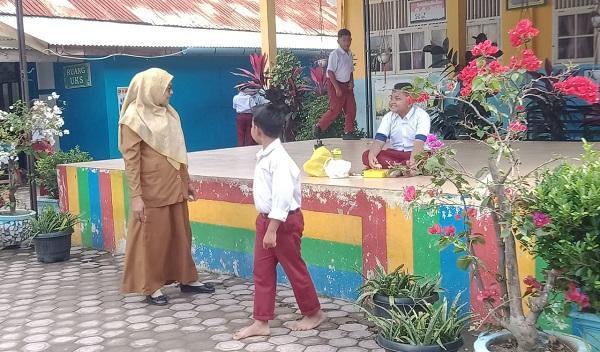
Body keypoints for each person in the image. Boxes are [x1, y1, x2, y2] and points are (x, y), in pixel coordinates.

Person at [118, 68, 215, 306]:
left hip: (174, 185)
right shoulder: (132, 119)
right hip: (151, 190)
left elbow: (178, 152)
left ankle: (187, 279)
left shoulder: (169, 113)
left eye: (170, 88)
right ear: (151, 89)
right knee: (153, 238)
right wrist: (136, 196)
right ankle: (151, 287)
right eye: (166, 88)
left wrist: (187, 181)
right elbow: (131, 161)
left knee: (181, 234)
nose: (171, 93)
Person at [233, 104, 326, 340]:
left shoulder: (280, 160)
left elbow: (283, 198)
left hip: (281, 224)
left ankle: (313, 312)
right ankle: (260, 321)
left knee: (294, 268)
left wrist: (272, 229)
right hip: (266, 222)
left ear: (257, 129)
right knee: (262, 272)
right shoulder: (266, 154)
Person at [362, 82, 431, 176]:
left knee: (426, 160)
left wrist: (413, 162)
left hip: (416, 153)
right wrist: (372, 155)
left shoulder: (422, 115)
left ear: (409, 102)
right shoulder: (388, 117)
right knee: (366, 155)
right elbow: (379, 140)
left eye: (397, 99)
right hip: (395, 154)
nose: (392, 102)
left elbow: (419, 141)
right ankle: (402, 168)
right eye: (391, 98)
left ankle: (400, 167)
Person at [313, 28, 361, 141]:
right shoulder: (335, 54)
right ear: (338, 41)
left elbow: (350, 70)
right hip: (335, 84)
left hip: (347, 85)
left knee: (351, 108)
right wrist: (337, 88)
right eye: (344, 40)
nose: (347, 42)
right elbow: (330, 71)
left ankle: (348, 132)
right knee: (336, 109)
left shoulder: (349, 54)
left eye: (349, 40)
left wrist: (351, 81)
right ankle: (319, 127)